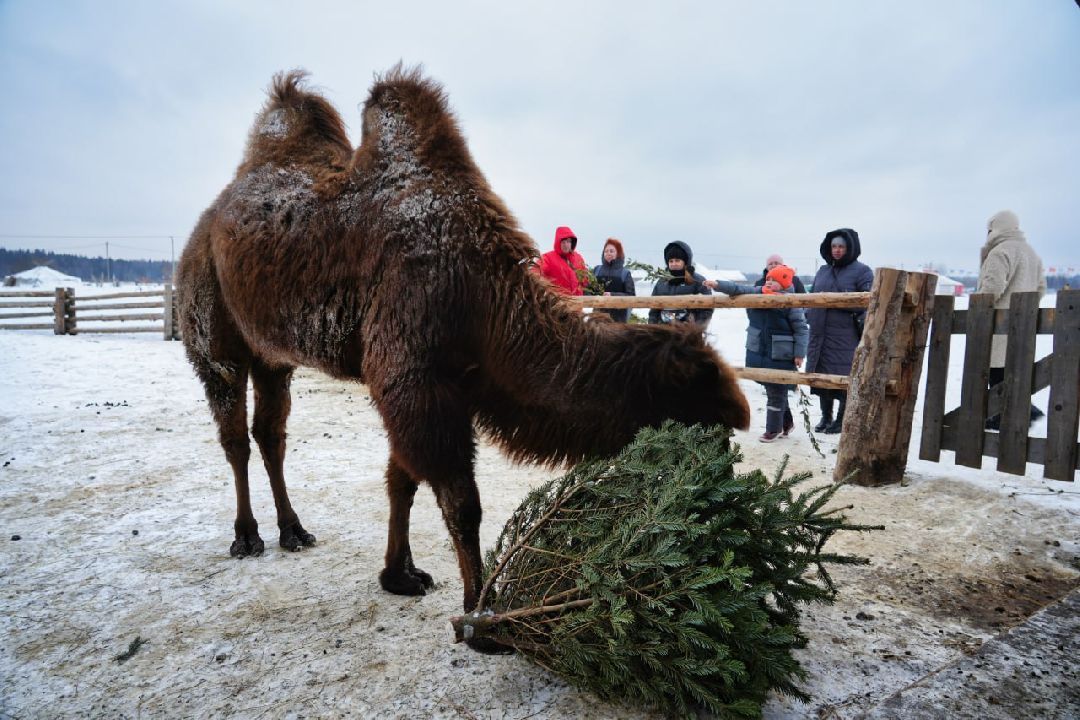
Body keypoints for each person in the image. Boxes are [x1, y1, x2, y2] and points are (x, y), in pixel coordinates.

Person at [710, 265, 808, 442]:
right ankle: (786, 423)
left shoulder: (791, 302)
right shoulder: (758, 292)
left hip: (780, 353)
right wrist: (718, 284)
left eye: (774, 281)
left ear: (785, 284)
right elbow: (738, 289)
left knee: (776, 390)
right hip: (760, 350)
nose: (769, 283)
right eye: (768, 279)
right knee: (774, 387)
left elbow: (801, 329)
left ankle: (773, 429)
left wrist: (799, 353)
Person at [976, 210, 1046, 429]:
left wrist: (979, 304)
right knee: (1014, 371)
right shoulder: (1031, 254)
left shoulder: (1000, 252)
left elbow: (991, 289)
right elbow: (1041, 288)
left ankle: (999, 417)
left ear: (996, 228)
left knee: (996, 370)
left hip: (999, 325)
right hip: (1023, 323)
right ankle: (1023, 411)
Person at [805, 228, 874, 434]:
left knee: (844, 377)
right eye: (834, 246)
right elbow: (812, 296)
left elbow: (868, 301)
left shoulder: (862, 271)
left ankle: (841, 419)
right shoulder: (823, 271)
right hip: (820, 335)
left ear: (850, 248)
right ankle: (825, 417)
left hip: (845, 336)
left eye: (841, 246)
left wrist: (838, 301)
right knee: (821, 377)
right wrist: (809, 313)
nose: (837, 250)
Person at [648, 241, 713, 328]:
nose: (674, 264)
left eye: (677, 260)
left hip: (688, 332)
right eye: (671, 261)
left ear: (685, 261)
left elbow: (707, 307)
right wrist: (653, 327)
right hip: (663, 332)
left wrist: (697, 327)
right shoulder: (661, 282)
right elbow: (654, 309)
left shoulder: (698, 281)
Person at [592, 238, 636, 322]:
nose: (608, 253)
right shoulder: (597, 270)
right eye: (606, 251)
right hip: (598, 319)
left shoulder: (625, 273)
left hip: (618, 320)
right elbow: (589, 290)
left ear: (618, 253)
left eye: (611, 251)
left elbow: (631, 296)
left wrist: (612, 295)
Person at [537, 226, 588, 295]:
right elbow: (535, 272)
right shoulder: (548, 258)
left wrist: (586, 280)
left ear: (572, 243)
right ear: (558, 242)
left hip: (577, 303)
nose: (566, 245)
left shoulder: (578, 258)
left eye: (568, 241)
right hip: (558, 303)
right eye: (563, 242)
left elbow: (585, 281)